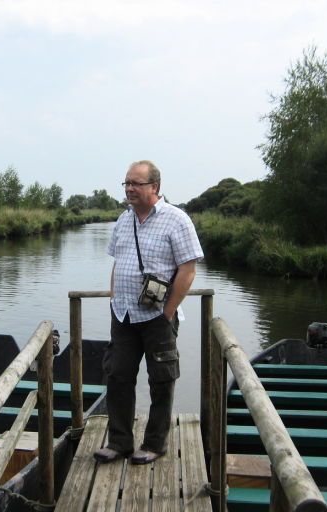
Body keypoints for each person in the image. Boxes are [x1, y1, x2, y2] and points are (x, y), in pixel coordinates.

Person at [94, 160, 204, 465]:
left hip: (157, 318)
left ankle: (154, 444)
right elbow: (118, 262)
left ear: (154, 187)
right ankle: (119, 442)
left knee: (161, 380)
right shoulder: (122, 219)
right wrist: (114, 300)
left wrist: (167, 313)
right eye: (126, 183)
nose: (129, 189)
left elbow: (188, 270)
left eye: (136, 184)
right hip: (124, 315)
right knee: (117, 377)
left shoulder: (176, 219)